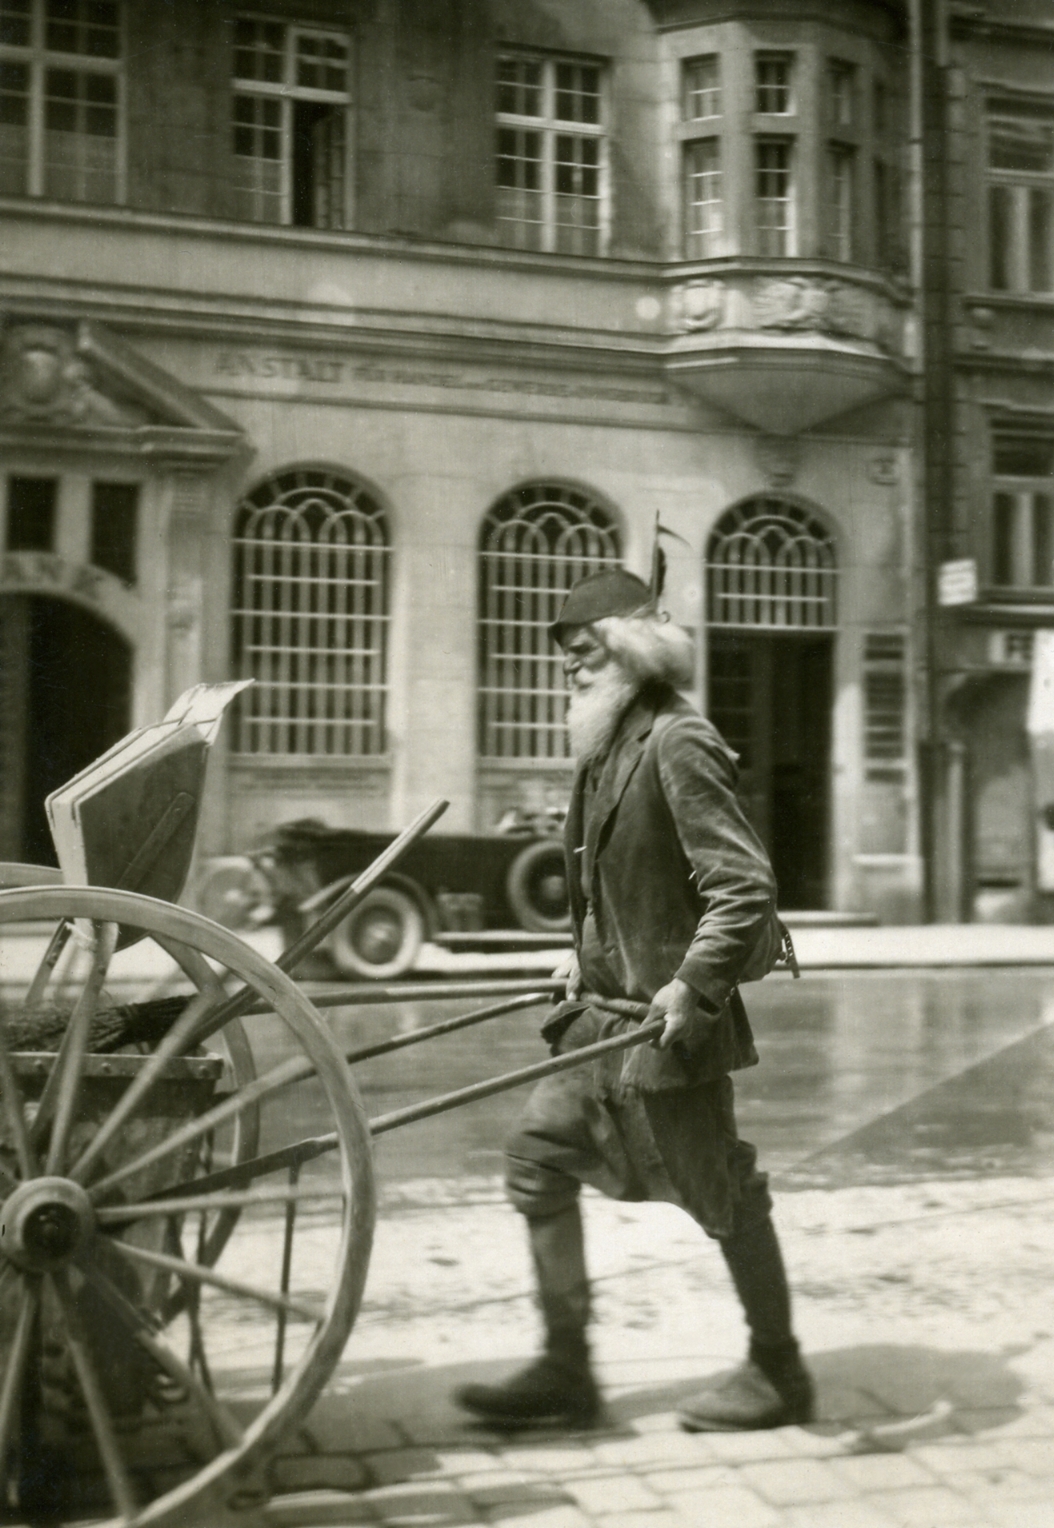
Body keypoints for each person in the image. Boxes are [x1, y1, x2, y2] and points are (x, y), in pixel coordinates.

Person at [454, 568, 813, 1433]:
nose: (567, 673)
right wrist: (579, 957)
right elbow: (604, 886)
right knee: (536, 1158)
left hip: (664, 1032)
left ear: (624, 652)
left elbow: (743, 889)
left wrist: (692, 986)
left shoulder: (678, 740)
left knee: (721, 1193)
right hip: (601, 1024)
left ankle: (779, 1372)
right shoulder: (606, 744)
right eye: (565, 660)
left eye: (580, 656)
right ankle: (567, 1369)